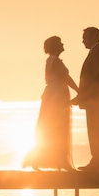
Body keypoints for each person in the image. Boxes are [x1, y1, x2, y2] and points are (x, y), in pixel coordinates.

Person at [23, 35, 79, 171]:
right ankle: (57, 160)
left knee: (54, 126)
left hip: (55, 94)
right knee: (57, 126)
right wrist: (79, 90)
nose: (63, 44)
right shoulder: (54, 61)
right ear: (55, 46)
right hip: (56, 95)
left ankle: (51, 159)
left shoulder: (52, 61)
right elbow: (66, 77)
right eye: (60, 43)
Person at [71, 26, 99, 171]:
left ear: (94, 37)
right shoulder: (96, 52)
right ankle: (96, 160)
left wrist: (81, 96)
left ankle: (98, 161)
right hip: (93, 99)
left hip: (97, 100)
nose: (83, 41)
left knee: (97, 130)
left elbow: (94, 79)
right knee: (93, 130)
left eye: (85, 38)